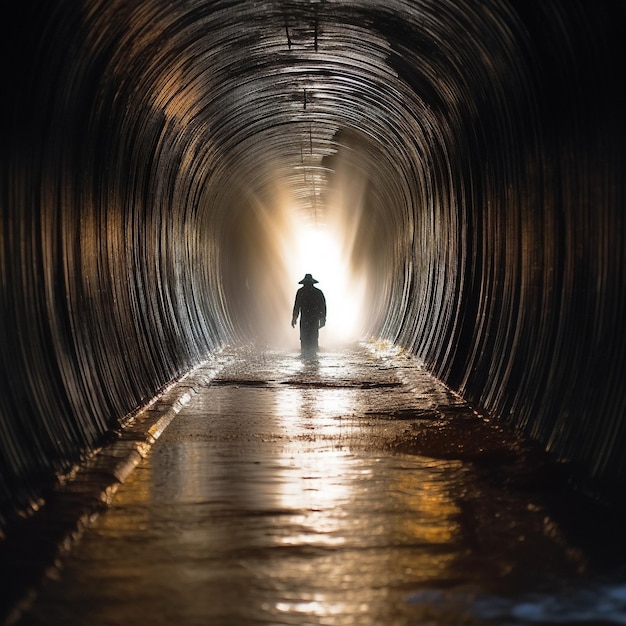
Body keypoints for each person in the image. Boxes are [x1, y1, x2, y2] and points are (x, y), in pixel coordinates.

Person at [291, 274, 326, 356]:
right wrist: (323, 319)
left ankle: (307, 358)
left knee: (305, 339)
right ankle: (312, 359)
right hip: (313, 319)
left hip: (305, 319)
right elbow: (323, 307)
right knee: (312, 338)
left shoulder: (301, 292)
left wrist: (294, 318)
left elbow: (297, 306)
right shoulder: (318, 292)